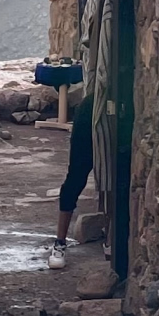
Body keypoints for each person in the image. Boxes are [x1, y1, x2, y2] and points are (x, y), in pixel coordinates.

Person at [48, 90, 93, 267]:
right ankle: (60, 242)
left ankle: (112, 240)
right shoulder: (87, 107)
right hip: (92, 113)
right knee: (75, 178)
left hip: (117, 114)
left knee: (116, 180)